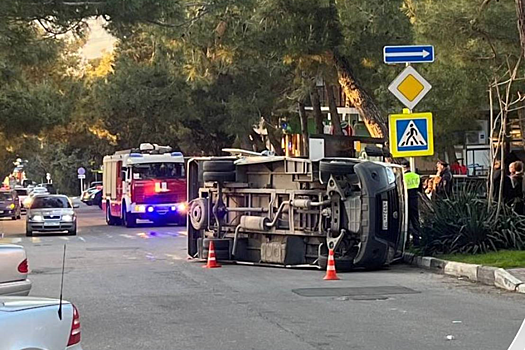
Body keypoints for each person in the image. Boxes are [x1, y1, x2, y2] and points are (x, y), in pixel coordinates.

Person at [403, 161, 421, 246]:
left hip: (405, 200)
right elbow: (420, 189)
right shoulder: (416, 176)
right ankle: (416, 241)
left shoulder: (402, 177)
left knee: (406, 221)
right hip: (414, 199)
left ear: (404, 167)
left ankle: (406, 242)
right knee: (415, 220)